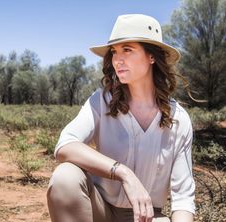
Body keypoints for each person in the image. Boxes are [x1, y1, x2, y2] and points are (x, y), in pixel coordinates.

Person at [47, 14, 195, 222]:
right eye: (114, 52)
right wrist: (123, 173)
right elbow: (65, 145)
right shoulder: (101, 101)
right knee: (65, 177)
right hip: (100, 210)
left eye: (127, 50)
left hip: (148, 217)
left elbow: (183, 198)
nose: (118, 59)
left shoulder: (178, 120)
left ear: (152, 56)